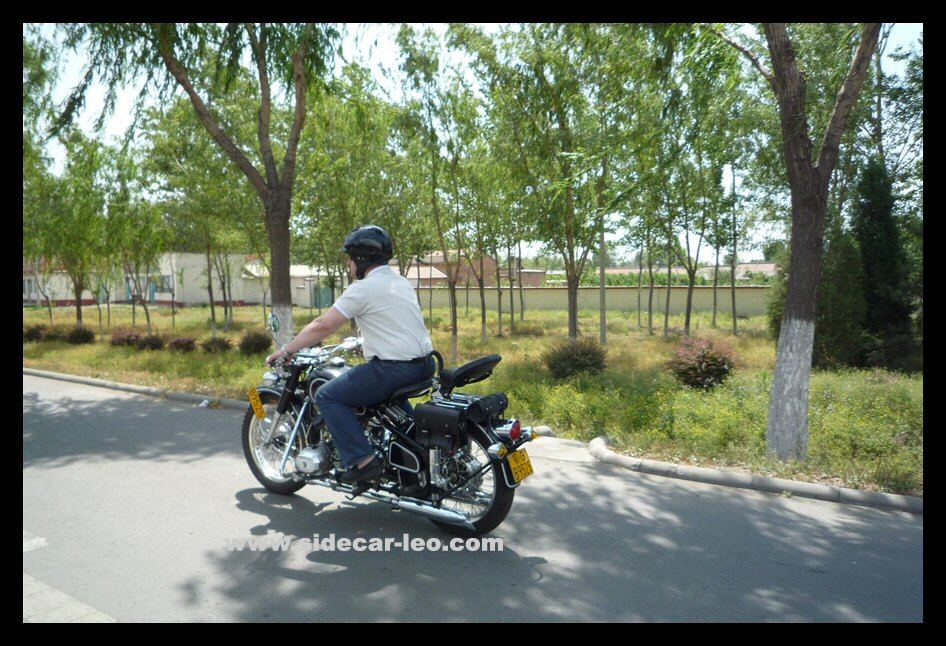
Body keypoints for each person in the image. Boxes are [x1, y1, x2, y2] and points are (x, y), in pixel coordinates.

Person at [265, 225, 434, 484]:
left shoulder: (363, 288)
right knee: (385, 406)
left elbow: (323, 325)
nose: (348, 263)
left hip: (393, 369)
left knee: (327, 395)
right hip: (424, 365)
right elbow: (395, 322)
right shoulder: (399, 282)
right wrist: (365, 342)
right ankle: (410, 460)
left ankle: (363, 461)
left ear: (361, 259)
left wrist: (286, 349)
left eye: (350, 258)